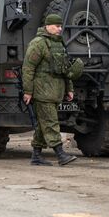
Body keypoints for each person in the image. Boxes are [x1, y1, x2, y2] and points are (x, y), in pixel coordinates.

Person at [22, 14, 77, 166]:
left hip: (56, 91)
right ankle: (61, 154)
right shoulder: (38, 43)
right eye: (57, 26)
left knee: (42, 124)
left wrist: (69, 88)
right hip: (42, 91)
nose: (60, 29)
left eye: (60, 26)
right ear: (47, 26)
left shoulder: (59, 43)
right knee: (51, 123)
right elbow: (28, 68)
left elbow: (65, 68)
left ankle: (36, 156)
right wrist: (28, 91)